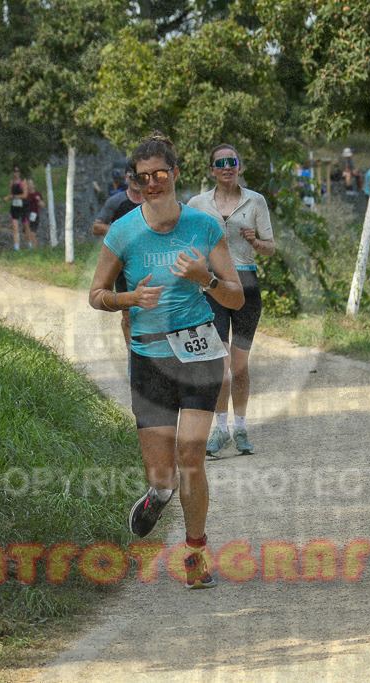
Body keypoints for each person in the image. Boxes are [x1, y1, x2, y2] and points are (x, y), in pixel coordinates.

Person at [88, 133, 243, 589]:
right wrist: (128, 298)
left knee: (192, 452)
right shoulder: (124, 232)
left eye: (160, 174)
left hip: (198, 352)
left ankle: (196, 552)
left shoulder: (203, 227)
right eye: (143, 178)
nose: (153, 183)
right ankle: (158, 495)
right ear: (134, 184)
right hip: (149, 360)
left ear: (174, 174)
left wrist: (205, 278)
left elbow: (234, 297)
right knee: (162, 476)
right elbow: (96, 295)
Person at [188, 144, 276, 458]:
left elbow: (270, 248)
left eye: (232, 162)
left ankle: (240, 428)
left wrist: (255, 241)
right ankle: (220, 428)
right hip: (212, 286)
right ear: (212, 170)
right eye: (220, 163)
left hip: (246, 282)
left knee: (239, 367)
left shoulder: (256, 201)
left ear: (240, 166)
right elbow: (186, 243)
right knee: (219, 365)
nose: (227, 167)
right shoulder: (197, 204)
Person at [92, 163, 144, 346]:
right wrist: (119, 231)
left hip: (150, 262)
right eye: (131, 176)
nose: (135, 180)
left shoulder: (152, 200)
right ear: (125, 178)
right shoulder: (116, 201)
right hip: (124, 265)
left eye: (139, 176)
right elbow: (96, 227)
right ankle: (133, 356)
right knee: (129, 314)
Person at [3, 166, 28, 250]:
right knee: (15, 226)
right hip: (14, 206)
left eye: (18, 171)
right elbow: (10, 194)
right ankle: (16, 247)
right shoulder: (12, 183)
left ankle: (30, 244)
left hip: (22, 206)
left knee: (25, 225)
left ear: (20, 173)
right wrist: (7, 197)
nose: (16, 173)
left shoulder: (23, 182)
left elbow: (25, 195)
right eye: (15, 171)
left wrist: (14, 196)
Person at [24, 178, 45, 246]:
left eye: (31, 184)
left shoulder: (37, 194)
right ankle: (31, 245)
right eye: (28, 184)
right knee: (26, 233)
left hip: (34, 215)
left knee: (32, 232)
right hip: (26, 215)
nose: (30, 185)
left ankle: (34, 247)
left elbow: (42, 206)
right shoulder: (25, 195)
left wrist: (39, 200)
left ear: (33, 185)